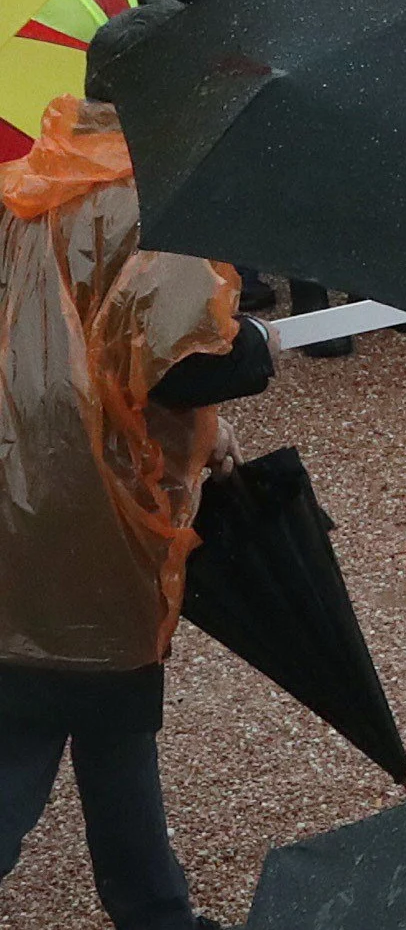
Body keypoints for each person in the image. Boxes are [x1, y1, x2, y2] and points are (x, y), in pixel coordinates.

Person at [0, 59, 275, 930]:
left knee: (106, 708)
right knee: (42, 711)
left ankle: (154, 905)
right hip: (97, 512)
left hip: (18, 483)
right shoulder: (158, 200)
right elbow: (197, 357)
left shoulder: (29, 184)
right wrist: (259, 339)